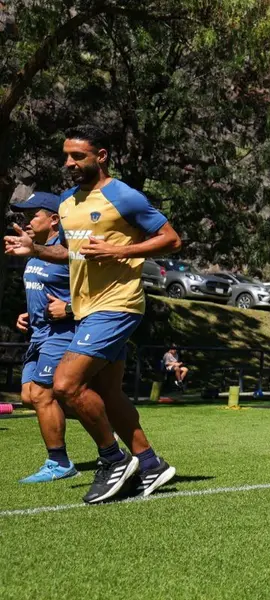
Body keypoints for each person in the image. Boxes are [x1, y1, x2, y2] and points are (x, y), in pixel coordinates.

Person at [4, 126, 182, 503]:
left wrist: (123, 252)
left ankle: (112, 459)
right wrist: (34, 248)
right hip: (87, 308)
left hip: (117, 304)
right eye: (66, 156)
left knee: (66, 385)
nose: (69, 163)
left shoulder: (124, 196)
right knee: (108, 393)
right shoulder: (67, 202)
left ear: (100, 156)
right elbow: (70, 254)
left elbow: (171, 239)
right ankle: (150, 464)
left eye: (77, 156)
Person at [10, 192, 80, 483]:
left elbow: (96, 295)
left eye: (32, 215)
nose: (26, 222)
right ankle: (101, 417)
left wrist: (68, 309)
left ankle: (59, 462)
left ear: (54, 220)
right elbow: (39, 288)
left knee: (41, 394)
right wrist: (26, 314)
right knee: (29, 396)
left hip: (61, 333)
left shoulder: (65, 252)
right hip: (38, 334)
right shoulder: (35, 251)